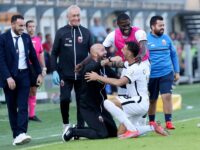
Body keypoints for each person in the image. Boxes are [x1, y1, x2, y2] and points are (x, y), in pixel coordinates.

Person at [85, 41, 168, 139]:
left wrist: (98, 77)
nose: (121, 50)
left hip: (138, 102)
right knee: (120, 135)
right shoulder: (133, 64)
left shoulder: (135, 68)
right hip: (140, 103)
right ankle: (152, 127)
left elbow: (119, 82)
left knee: (107, 102)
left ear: (129, 53)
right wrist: (107, 60)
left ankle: (132, 130)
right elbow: (116, 64)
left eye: (124, 49)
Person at [0, 15, 43, 145]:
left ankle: (22, 133)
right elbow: (1, 60)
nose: (22, 28)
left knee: (23, 105)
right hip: (9, 77)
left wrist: (39, 74)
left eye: (23, 25)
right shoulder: (3, 39)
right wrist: (8, 77)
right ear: (12, 24)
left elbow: (34, 57)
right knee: (12, 107)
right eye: (20, 25)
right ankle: (16, 135)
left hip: (24, 75)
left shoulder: (26, 38)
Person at [62, 44, 119, 141]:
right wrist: (110, 60)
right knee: (102, 134)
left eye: (105, 50)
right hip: (89, 106)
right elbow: (93, 66)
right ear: (95, 54)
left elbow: (118, 80)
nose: (105, 52)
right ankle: (73, 131)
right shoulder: (89, 67)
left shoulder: (105, 67)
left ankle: (79, 128)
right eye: (102, 50)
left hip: (101, 106)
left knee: (113, 133)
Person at [51, 5, 93, 134]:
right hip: (65, 75)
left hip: (82, 75)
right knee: (65, 99)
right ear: (68, 17)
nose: (76, 18)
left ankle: (80, 126)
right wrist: (54, 70)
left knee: (82, 101)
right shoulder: (61, 32)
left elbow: (93, 53)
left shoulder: (86, 33)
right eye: (73, 16)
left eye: (78, 15)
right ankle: (66, 124)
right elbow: (54, 53)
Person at [147, 15, 180, 129]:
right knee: (152, 99)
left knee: (167, 96)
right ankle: (151, 122)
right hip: (151, 75)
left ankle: (169, 122)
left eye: (163, 25)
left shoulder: (167, 38)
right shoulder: (145, 40)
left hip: (166, 72)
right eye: (160, 25)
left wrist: (177, 71)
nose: (162, 27)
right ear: (152, 26)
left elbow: (174, 55)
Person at [26, 20, 47, 122]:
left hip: (35, 68)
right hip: (25, 67)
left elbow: (41, 54)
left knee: (33, 91)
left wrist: (44, 68)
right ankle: (23, 114)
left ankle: (32, 115)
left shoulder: (38, 40)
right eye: (29, 26)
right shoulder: (23, 39)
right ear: (26, 28)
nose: (32, 28)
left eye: (33, 26)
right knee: (24, 91)